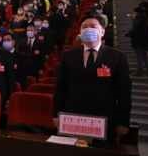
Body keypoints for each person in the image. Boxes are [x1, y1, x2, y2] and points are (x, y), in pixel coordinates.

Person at [54, 15, 132, 144]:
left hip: (104, 119)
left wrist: (123, 122)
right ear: (80, 33)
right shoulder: (68, 56)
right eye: (84, 27)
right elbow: (61, 88)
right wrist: (56, 114)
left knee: (100, 155)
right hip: (73, 117)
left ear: (102, 32)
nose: (88, 29)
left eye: (93, 26)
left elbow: (124, 93)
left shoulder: (117, 57)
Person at [126, 3, 148, 77]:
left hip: (138, 41)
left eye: (134, 12)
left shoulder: (138, 20)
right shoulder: (146, 19)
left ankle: (140, 71)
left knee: (139, 56)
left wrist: (129, 34)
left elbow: (135, 30)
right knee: (145, 56)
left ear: (137, 12)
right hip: (145, 41)